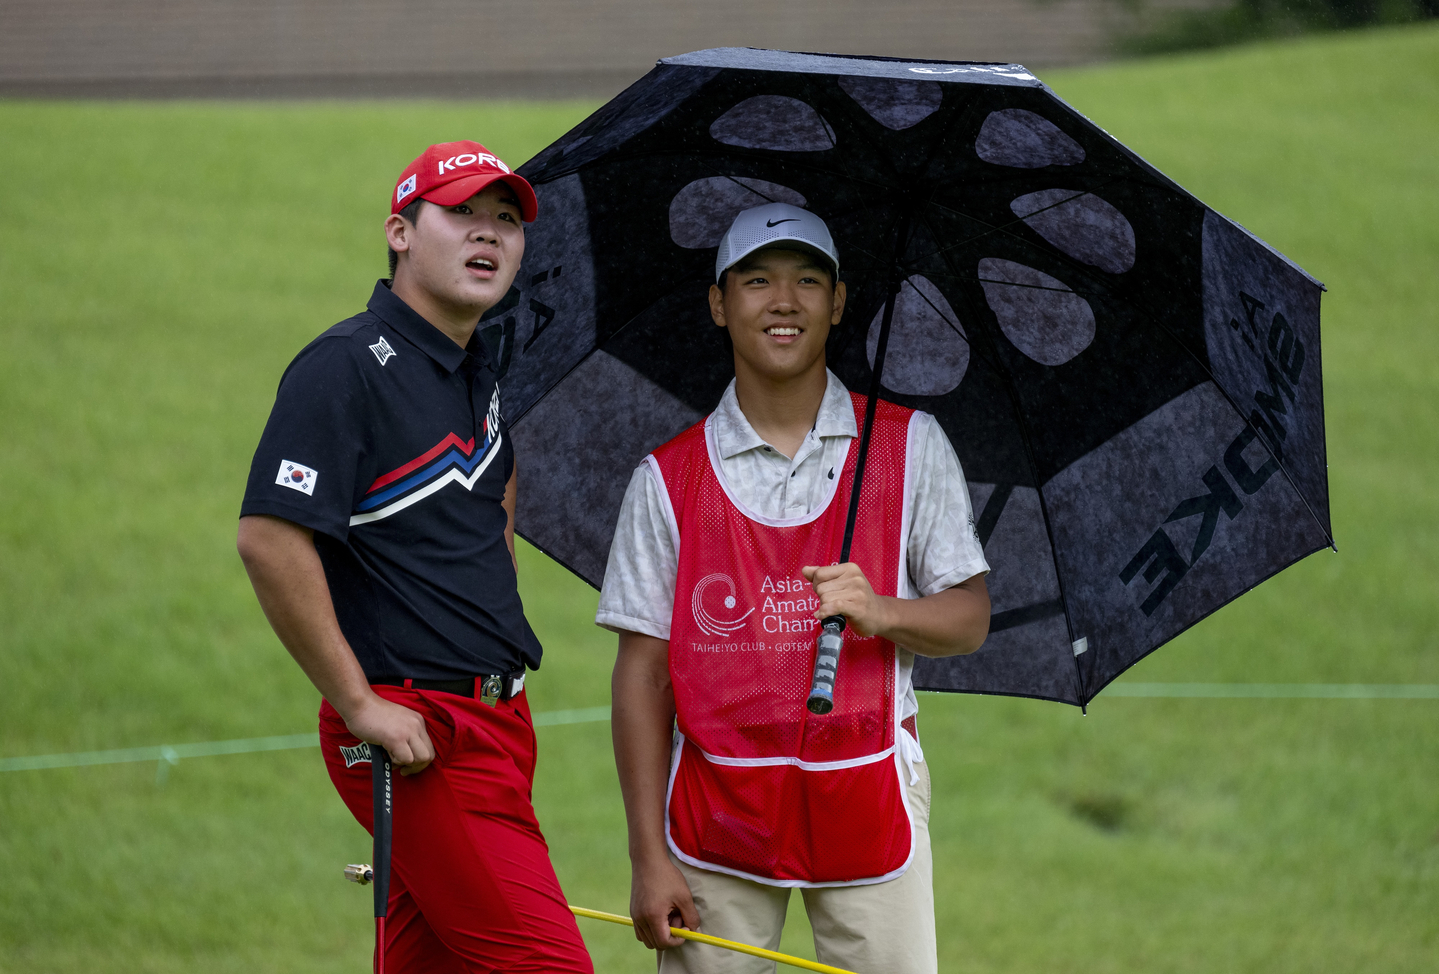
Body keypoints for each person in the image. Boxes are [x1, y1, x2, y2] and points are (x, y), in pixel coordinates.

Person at [599, 203, 992, 974]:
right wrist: (647, 857)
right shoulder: (667, 479)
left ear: (838, 303)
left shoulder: (909, 446)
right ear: (720, 303)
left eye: (808, 279)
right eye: (756, 280)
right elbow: (641, 673)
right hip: (714, 816)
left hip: (868, 799)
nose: (784, 301)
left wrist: (880, 610)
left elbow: (968, 617)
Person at [237, 141, 592, 974]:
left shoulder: (479, 370)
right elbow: (268, 535)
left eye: (506, 221)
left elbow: (491, 501)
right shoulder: (346, 365)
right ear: (400, 232)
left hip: (497, 724)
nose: (489, 234)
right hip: (415, 735)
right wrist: (358, 704)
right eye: (462, 212)